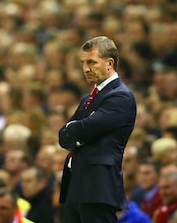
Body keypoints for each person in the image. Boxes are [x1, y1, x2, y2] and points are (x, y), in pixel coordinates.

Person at [58, 36, 137, 223]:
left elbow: (85, 128)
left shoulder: (120, 96)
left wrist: (75, 129)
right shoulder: (88, 98)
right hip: (76, 184)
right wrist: (75, 129)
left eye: (92, 62)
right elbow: (63, 136)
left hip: (98, 186)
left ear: (110, 63)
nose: (86, 68)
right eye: (83, 63)